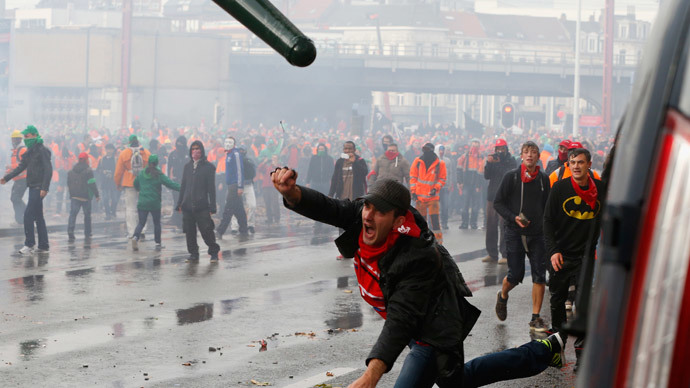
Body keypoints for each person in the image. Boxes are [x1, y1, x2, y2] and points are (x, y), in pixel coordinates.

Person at [271, 171, 564, 387]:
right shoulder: (363, 214)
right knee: (458, 380)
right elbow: (328, 206)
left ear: (399, 221)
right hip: (411, 324)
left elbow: (402, 318)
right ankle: (544, 351)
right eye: (367, 206)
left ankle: (542, 350)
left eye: (379, 211)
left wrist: (371, 376)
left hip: (433, 326)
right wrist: (292, 194)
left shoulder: (417, 255)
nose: (368, 216)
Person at [544, 147, 605, 371]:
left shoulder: (601, 189)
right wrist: (553, 251)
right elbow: (547, 221)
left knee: (583, 303)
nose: (576, 166)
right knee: (557, 301)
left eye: (580, 162)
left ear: (589, 165)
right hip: (561, 253)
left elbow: (608, 216)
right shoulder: (559, 188)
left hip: (586, 255)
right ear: (568, 165)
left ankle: (582, 353)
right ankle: (557, 349)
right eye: (572, 162)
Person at [492, 141, 550, 332]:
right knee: (515, 275)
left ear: (538, 156)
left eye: (533, 152)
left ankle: (535, 318)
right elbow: (498, 203)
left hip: (537, 234)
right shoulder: (512, 177)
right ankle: (503, 295)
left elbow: (547, 206)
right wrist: (513, 217)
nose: (530, 155)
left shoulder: (543, 179)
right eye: (526, 152)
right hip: (514, 232)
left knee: (539, 276)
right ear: (522, 155)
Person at [1, 125, 53, 254]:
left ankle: (29, 244)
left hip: (38, 187)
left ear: (35, 135)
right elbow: (21, 167)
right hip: (32, 186)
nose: (25, 139)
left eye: (27, 136)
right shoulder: (30, 151)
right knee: (38, 217)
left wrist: (45, 188)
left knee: (28, 215)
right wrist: (6, 178)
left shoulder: (42, 150)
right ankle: (44, 245)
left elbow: (48, 170)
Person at [176, 140, 220, 262]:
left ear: (202, 151)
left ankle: (214, 252)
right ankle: (193, 254)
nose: (195, 151)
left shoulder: (208, 167)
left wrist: (212, 206)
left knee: (206, 230)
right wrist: (179, 203)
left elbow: (211, 189)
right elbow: (183, 186)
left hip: (202, 206)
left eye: (198, 149)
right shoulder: (187, 167)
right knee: (189, 232)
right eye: (193, 149)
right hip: (188, 206)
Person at [131, 154, 180, 251]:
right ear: (157, 163)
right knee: (156, 223)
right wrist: (183, 188)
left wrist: (139, 189)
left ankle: (135, 237)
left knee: (141, 222)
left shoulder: (141, 173)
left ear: (148, 162)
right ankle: (158, 243)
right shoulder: (159, 174)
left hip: (143, 202)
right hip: (155, 203)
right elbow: (170, 184)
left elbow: (135, 183)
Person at [482, 139, 517, 263]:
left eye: (502, 148)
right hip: (492, 197)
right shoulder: (493, 160)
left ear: (506, 149)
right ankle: (492, 254)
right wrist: (489, 163)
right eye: (498, 149)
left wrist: (500, 162)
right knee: (490, 225)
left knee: (504, 226)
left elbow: (509, 175)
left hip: (505, 197)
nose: (500, 151)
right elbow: (487, 176)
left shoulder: (511, 161)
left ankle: (505, 255)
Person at [114, 135, 150, 239]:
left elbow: (118, 172)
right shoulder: (146, 153)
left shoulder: (124, 153)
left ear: (129, 142)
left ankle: (132, 232)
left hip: (129, 183)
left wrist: (118, 184)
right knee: (143, 207)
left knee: (130, 208)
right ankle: (142, 229)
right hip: (143, 183)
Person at [409, 142, 446, 243]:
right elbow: (413, 177)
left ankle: (438, 243)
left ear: (432, 151)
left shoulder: (439, 164)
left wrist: (436, 188)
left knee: (435, 221)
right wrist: (413, 192)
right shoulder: (417, 162)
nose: (426, 152)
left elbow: (442, 179)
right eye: (424, 150)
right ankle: (423, 241)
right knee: (421, 222)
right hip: (420, 198)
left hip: (433, 198)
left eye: (427, 150)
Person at [216, 136, 248, 239]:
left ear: (234, 144)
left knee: (228, 208)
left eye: (230, 142)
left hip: (234, 185)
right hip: (230, 185)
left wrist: (240, 186)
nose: (227, 144)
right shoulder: (228, 154)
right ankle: (244, 229)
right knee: (239, 209)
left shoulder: (236, 154)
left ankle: (220, 231)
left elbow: (239, 170)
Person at [67, 152, 100, 241]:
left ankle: (70, 231)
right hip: (86, 196)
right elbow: (92, 183)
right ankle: (88, 232)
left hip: (74, 196)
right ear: (86, 160)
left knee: (73, 214)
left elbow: (69, 184)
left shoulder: (71, 171)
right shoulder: (88, 170)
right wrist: (97, 194)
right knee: (87, 215)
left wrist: (71, 194)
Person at [457, 138, 484, 229]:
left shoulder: (481, 157)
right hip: (466, 184)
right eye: (474, 144)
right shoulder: (464, 156)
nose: (475, 146)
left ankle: (473, 223)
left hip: (476, 185)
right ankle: (464, 223)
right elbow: (459, 169)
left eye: (477, 144)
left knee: (475, 206)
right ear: (470, 145)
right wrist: (460, 182)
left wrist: (479, 185)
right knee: (465, 204)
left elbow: (482, 173)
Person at [167, 135, 189, 230]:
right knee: (176, 201)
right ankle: (178, 221)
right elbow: (169, 168)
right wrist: (168, 180)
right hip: (176, 181)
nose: (179, 145)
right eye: (178, 143)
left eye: (181, 143)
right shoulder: (173, 154)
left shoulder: (190, 154)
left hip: (187, 182)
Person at [7, 130, 27, 225]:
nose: (12, 141)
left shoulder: (22, 150)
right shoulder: (15, 151)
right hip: (18, 178)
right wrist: (8, 172)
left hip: (23, 178)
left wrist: (11, 167)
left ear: (18, 139)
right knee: (14, 198)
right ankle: (20, 220)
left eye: (13, 139)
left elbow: (24, 164)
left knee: (16, 198)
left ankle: (26, 214)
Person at [97, 143, 119, 220]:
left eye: (110, 149)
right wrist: (103, 172)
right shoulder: (102, 159)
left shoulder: (116, 159)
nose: (109, 151)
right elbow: (98, 170)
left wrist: (112, 174)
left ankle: (113, 212)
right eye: (107, 149)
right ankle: (107, 214)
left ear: (113, 150)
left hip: (114, 182)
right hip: (105, 182)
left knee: (115, 199)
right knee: (105, 198)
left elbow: (119, 170)